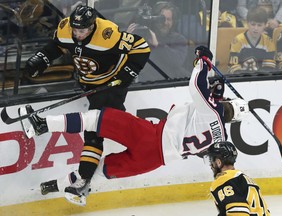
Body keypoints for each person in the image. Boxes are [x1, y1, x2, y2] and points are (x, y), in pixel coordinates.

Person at [20, 46, 250, 206]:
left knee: (96, 119)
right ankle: (53, 187)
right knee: (98, 171)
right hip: (153, 161)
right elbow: (215, 108)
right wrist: (218, 91)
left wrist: (203, 59)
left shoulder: (208, 110)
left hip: (150, 137)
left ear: (228, 104)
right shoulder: (219, 135)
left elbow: (196, 86)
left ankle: (41, 125)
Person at [23, 4, 150, 204]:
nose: (77, 34)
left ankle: (82, 182)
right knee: (103, 127)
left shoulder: (108, 33)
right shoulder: (66, 27)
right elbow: (56, 45)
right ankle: (74, 180)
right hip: (88, 83)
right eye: (75, 29)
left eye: (82, 31)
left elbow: (141, 47)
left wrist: (125, 77)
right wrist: (41, 59)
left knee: (94, 129)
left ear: (92, 27)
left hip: (110, 85)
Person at [127, 1, 190, 81]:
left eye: (169, 19)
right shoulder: (141, 36)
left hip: (165, 85)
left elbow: (176, 62)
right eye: (162, 19)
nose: (165, 23)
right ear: (154, 18)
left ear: (173, 22)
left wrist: (158, 45)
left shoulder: (178, 39)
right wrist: (126, 40)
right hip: (141, 86)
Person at [204, 141, 271, 215]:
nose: (211, 165)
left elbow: (238, 213)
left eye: (211, 160)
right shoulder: (243, 178)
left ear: (218, 162)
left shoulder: (224, 180)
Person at [228, 7, 276, 73]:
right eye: (253, 24)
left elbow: (269, 69)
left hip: (261, 80)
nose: (255, 28)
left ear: (265, 25)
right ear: (247, 23)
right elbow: (234, 68)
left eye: (259, 25)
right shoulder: (237, 41)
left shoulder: (269, 42)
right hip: (240, 79)